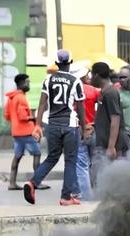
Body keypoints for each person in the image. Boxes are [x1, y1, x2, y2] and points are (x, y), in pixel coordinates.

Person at [25, 49, 86, 206]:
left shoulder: (49, 79)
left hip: (51, 124)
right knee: (70, 161)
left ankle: (33, 182)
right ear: (70, 62)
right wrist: (84, 127)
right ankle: (66, 197)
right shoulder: (75, 81)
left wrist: (37, 125)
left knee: (52, 157)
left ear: (57, 63)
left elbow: (42, 104)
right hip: (69, 125)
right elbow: (80, 107)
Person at [3, 73, 42, 190]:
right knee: (37, 153)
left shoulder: (11, 97)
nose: (29, 84)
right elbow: (23, 116)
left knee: (17, 156)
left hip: (16, 132)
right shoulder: (21, 97)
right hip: (26, 132)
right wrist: (33, 118)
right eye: (27, 82)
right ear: (22, 83)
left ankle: (12, 182)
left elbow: (7, 115)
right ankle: (37, 182)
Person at [71, 63, 98, 201]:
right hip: (92, 128)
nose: (89, 76)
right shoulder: (93, 90)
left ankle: (86, 196)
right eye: (86, 75)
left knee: (81, 165)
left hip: (78, 130)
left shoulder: (70, 91)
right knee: (94, 162)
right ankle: (96, 192)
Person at [90, 62, 127, 161]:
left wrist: (111, 147)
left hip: (110, 146)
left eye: (92, 74)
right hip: (103, 144)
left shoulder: (111, 93)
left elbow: (115, 119)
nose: (91, 78)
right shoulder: (104, 92)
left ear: (96, 75)